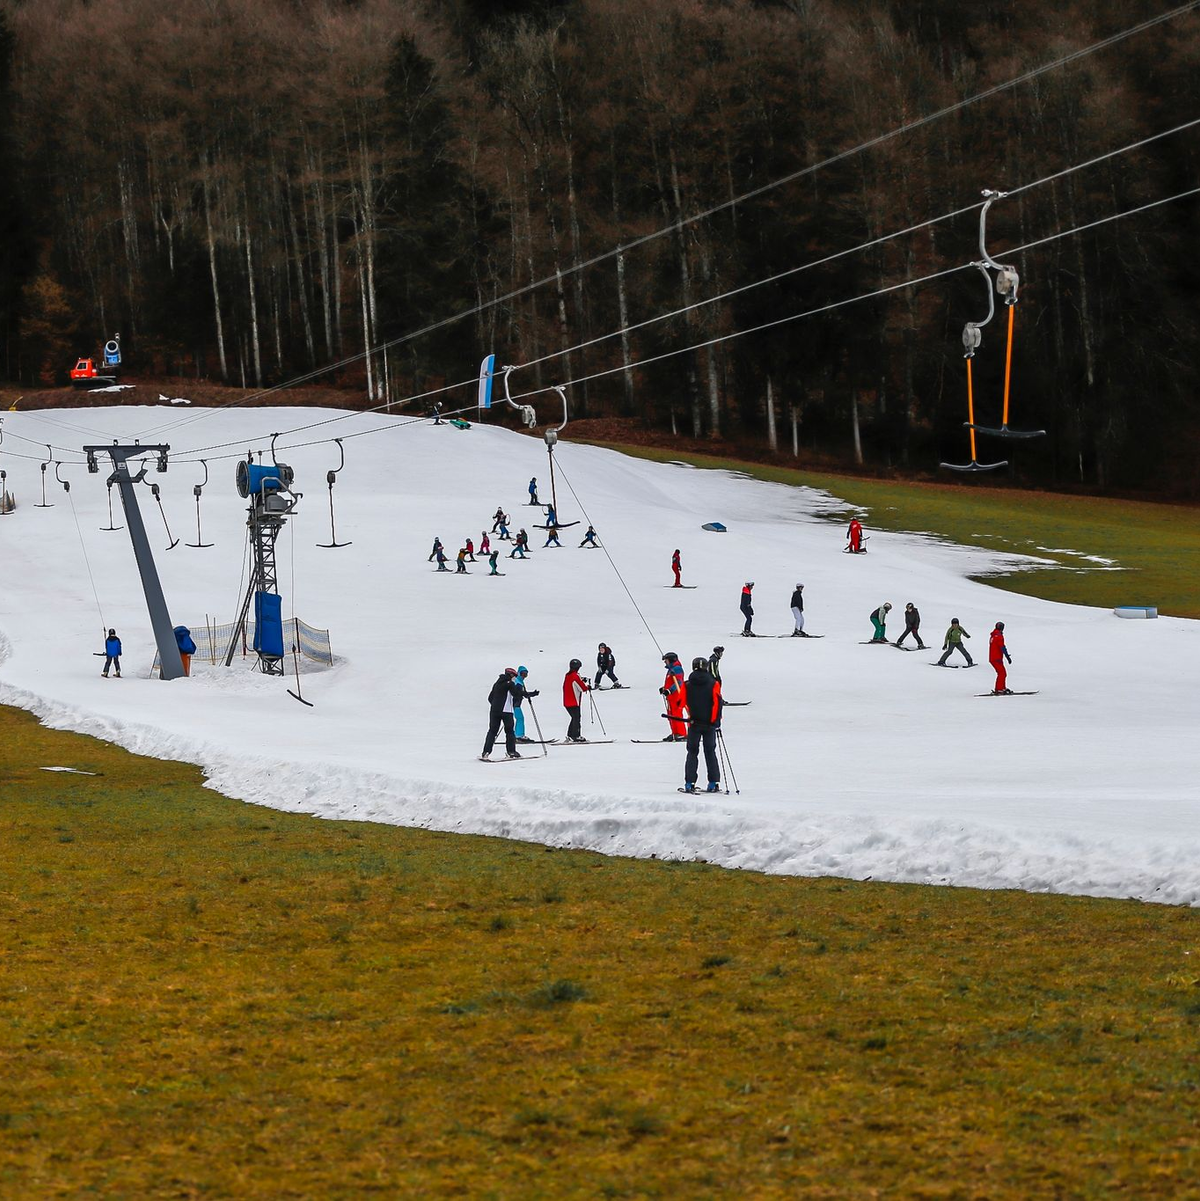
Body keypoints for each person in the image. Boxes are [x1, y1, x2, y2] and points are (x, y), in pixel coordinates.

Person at [681, 656, 723, 793]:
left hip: (694, 723)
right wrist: (715, 721)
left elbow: (680, 702)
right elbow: (717, 703)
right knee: (710, 752)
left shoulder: (687, 684)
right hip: (709, 724)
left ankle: (689, 783)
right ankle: (713, 783)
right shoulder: (713, 683)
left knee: (692, 752)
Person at [482, 667, 522, 759]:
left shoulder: (496, 684)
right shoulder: (510, 684)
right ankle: (511, 752)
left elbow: (490, 698)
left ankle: (485, 752)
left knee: (492, 731)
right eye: (514, 676)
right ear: (511, 675)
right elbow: (516, 694)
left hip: (494, 711)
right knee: (509, 732)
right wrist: (526, 694)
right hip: (507, 711)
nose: (515, 678)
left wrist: (496, 705)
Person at [660, 651, 687, 741]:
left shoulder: (677, 669)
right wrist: (664, 689)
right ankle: (675, 732)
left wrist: (670, 691)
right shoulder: (671, 670)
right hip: (670, 697)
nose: (665, 662)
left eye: (666, 660)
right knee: (671, 715)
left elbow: (679, 682)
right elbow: (671, 682)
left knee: (677, 714)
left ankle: (682, 733)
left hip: (676, 696)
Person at [563, 658, 590, 742]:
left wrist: (581, 679)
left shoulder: (568, 675)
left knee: (574, 718)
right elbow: (582, 688)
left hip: (567, 701)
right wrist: (587, 687)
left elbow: (575, 683)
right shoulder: (575, 676)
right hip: (574, 701)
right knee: (577, 718)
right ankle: (576, 736)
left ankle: (570, 735)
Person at [514, 666, 539, 742]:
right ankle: (519, 736)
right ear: (519, 673)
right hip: (514, 704)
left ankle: (516, 735)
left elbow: (523, 693)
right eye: (523, 674)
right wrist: (531, 694)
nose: (524, 676)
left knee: (519, 718)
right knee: (520, 718)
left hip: (516, 704)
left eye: (525, 674)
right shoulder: (517, 682)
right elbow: (521, 693)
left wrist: (530, 694)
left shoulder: (520, 681)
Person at [989, 621, 1013, 694]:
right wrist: (1007, 657)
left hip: (993, 658)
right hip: (997, 658)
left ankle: (1001, 688)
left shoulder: (993, 635)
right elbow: (1002, 647)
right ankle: (999, 689)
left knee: (1002, 673)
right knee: (1002, 673)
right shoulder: (999, 636)